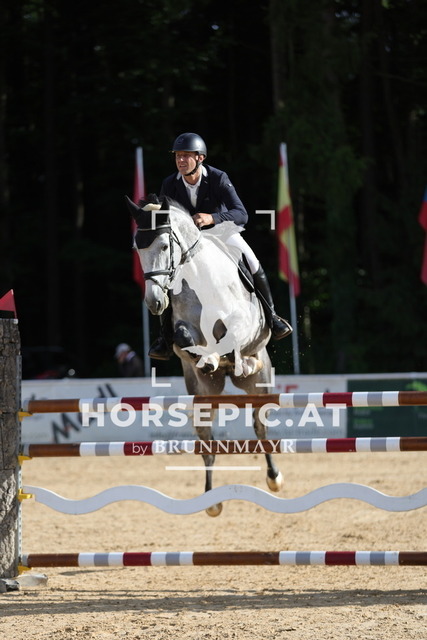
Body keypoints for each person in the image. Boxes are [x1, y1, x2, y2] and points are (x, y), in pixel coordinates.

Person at [148, 132, 292, 360]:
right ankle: (164, 339)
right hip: (188, 243)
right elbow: (165, 219)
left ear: (200, 158)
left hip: (221, 234)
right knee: (166, 276)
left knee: (251, 260)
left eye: (186, 155)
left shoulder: (218, 178)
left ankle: (273, 318)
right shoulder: (170, 183)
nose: (180, 160)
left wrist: (212, 218)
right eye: (177, 156)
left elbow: (241, 214)